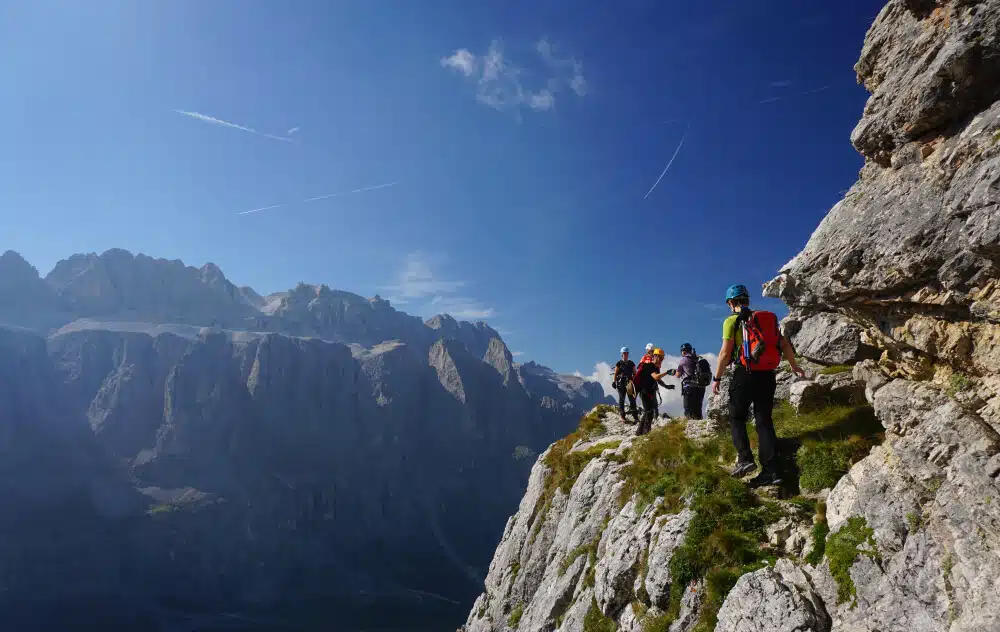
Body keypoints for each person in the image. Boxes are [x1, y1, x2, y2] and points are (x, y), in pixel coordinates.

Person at [712, 284, 806, 487]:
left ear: (731, 302)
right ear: (746, 300)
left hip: (745, 374)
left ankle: (745, 459)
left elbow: (725, 353)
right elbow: (785, 345)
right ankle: (771, 471)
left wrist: (717, 378)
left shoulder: (732, 321)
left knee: (736, 417)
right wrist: (794, 366)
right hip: (767, 375)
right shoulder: (767, 318)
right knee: (764, 421)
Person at [633, 348, 675, 436]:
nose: (662, 360)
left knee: (648, 411)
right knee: (649, 411)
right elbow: (656, 377)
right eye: (660, 357)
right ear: (655, 356)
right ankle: (645, 432)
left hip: (650, 391)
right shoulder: (648, 366)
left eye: (662, 358)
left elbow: (658, 380)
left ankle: (639, 432)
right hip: (644, 391)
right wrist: (667, 372)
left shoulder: (656, 368)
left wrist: (667, 386)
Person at [670, 342, 706, 420]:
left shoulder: (684, 360)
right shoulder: (698, 358)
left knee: (688, 408)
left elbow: (678, 374)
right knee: (697, 408)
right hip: (700, 387)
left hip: (689, 387)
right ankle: (698, 426)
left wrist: (674, 372)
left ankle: (689, 427)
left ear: (683, 351)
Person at [612, 347, 639, 423]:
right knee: (622, 400)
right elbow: (616, 373)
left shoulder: (631, 363)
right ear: (622, 354)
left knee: (632, 400)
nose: (625, 354)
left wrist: (635, 381)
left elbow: (635, 373)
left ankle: (635, 416)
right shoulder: (619, 363)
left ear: (628, 354)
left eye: (626, 353)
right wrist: (614, 382)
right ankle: (622, 416)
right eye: (624, 353)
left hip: (629, 383)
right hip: (621, 383)